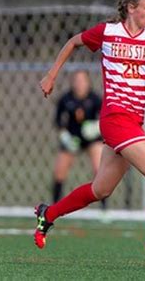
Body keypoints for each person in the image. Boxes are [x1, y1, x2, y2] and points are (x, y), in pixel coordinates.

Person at [34, 0, 145, 255]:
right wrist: (52, 74)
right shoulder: (108, 33)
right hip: (116, 118)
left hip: (132, 122)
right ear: (131, 8)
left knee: (100, 189)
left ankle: (48, 214)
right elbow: (74, 42)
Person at [52, 70, 107, 209]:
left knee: (100, 167)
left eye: (83, 81)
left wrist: (95, 127)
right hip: (72, 138)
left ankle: (104, 208)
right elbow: (58, 121)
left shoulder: (95, 99)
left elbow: (105, 119)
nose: (80, 84)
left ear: (88, 83)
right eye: (77, 81)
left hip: (91, 139)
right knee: (60, 170)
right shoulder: (65, 99)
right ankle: (54, 207)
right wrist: (65, 136)